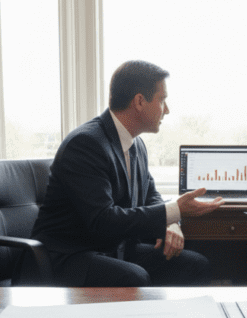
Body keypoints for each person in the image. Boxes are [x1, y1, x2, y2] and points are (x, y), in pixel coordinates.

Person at [31, 60, 223, 286]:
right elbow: (103, 221)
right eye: (162, 100)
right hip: (69, 257)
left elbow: (150, 194)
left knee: (196, 265)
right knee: (134, 277)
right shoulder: (86, 143)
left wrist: (171, 222)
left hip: (114, 250)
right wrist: (174, 210)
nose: (167, 110)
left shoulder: (136, 144)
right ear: (140, 101)